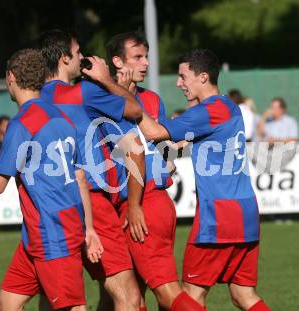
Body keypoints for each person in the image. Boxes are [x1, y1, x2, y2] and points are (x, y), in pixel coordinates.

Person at [138, 49, 271, 311]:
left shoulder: (208, 111)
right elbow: (177, 140)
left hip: (219, 214)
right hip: (245, 211)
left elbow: (153, 131)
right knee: (243, 295)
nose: (179, 83)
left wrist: (128, 101)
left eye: (182, 76)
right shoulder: (227, 106)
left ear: (203, 77)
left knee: (190, 295)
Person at [0, 48, 103, 311]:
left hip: (53, 232)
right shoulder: (61, 117)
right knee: (8, 303)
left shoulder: (23, 123)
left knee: (71, 307)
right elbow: (80, 177)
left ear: (11, 77)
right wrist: (89, 228)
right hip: (41, 233)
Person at [38, 29, 143, 311]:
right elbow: (135, 110)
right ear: (64, 59)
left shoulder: (34, 101)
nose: (83, 57)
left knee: (57, 298)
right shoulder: (82, 92)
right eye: (78, 52)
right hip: (92, 201)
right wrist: (105, 79)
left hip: (49, 207)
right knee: (129, 297)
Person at [104, 30, 204, 311]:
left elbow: (147, 153)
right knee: (132, 294)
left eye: (146, 56)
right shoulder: (103, 98)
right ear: (117, 62)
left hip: (144, 204)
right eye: (138, 57)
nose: (146, 63)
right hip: (140, 206)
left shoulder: (147, 100)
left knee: (166, 294)